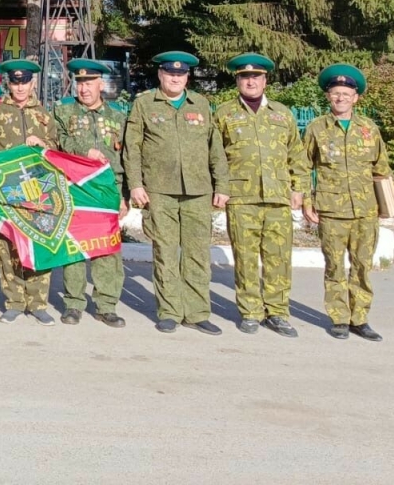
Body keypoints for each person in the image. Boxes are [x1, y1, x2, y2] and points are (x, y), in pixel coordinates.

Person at [123, 51, 229, 335]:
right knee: (166, 253)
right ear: (160, 75)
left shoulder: (201, 104)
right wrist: (136, 184)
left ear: (187, 77)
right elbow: (132, 147)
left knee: (197, 254)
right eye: (170, 73)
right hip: (159, 191)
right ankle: (169, 311)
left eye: (180, 75)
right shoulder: (145, 104)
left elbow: (214, 148)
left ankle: (196, 313)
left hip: (198, 190)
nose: (175, 78)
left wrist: (222, 186)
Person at [213, 53, 307, 337]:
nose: (250, 81)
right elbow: (215, 156)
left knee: (279, 256)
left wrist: (299, 188)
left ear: (265, 80)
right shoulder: (224, 114)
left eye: (256, 77)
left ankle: (277, 312)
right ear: (237, 81)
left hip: (278, 196)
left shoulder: (282, 114)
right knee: (245, 257)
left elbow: (297, 154)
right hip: (241, 197)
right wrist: (220, 188)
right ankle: (251, 311)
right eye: (244, 77)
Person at [303, 64, 390, 342]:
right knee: (335, 266)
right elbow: (304, 166)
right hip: (331, 210)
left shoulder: (369, 129)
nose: (340, 98)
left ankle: (360, 319)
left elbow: (381, 168)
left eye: (346, 93)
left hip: (366, 211)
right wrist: (306, 200)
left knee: (362, 266)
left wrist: (386, 206)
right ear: (328, 97)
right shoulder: (317, 128)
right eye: (335, 93)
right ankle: (339, 318)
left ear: (356, 98)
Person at [54, 58, 128, 327]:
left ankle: (106, 305)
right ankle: (73, 304)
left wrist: (124, 194)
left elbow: (127, 156)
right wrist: (82, 151)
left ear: (101, 83)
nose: (84, 88)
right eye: (80, 82)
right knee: (75, 246)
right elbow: (58, 141)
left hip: (108, 191)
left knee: (106, 250)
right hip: (75, 189)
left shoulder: (118, 116)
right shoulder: (63, 112)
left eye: (89, 82)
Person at [0, 59, 58, 325]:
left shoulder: (44, 114)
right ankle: (14, 301)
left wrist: (43, 142)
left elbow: (56, 146)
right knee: (7, 247)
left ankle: (38, 302)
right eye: (15, 82)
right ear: (9, 83)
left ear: (32, 83)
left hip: (39, 192)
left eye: (25, 82)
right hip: (7, 190)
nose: (20, 87)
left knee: (40, 244)